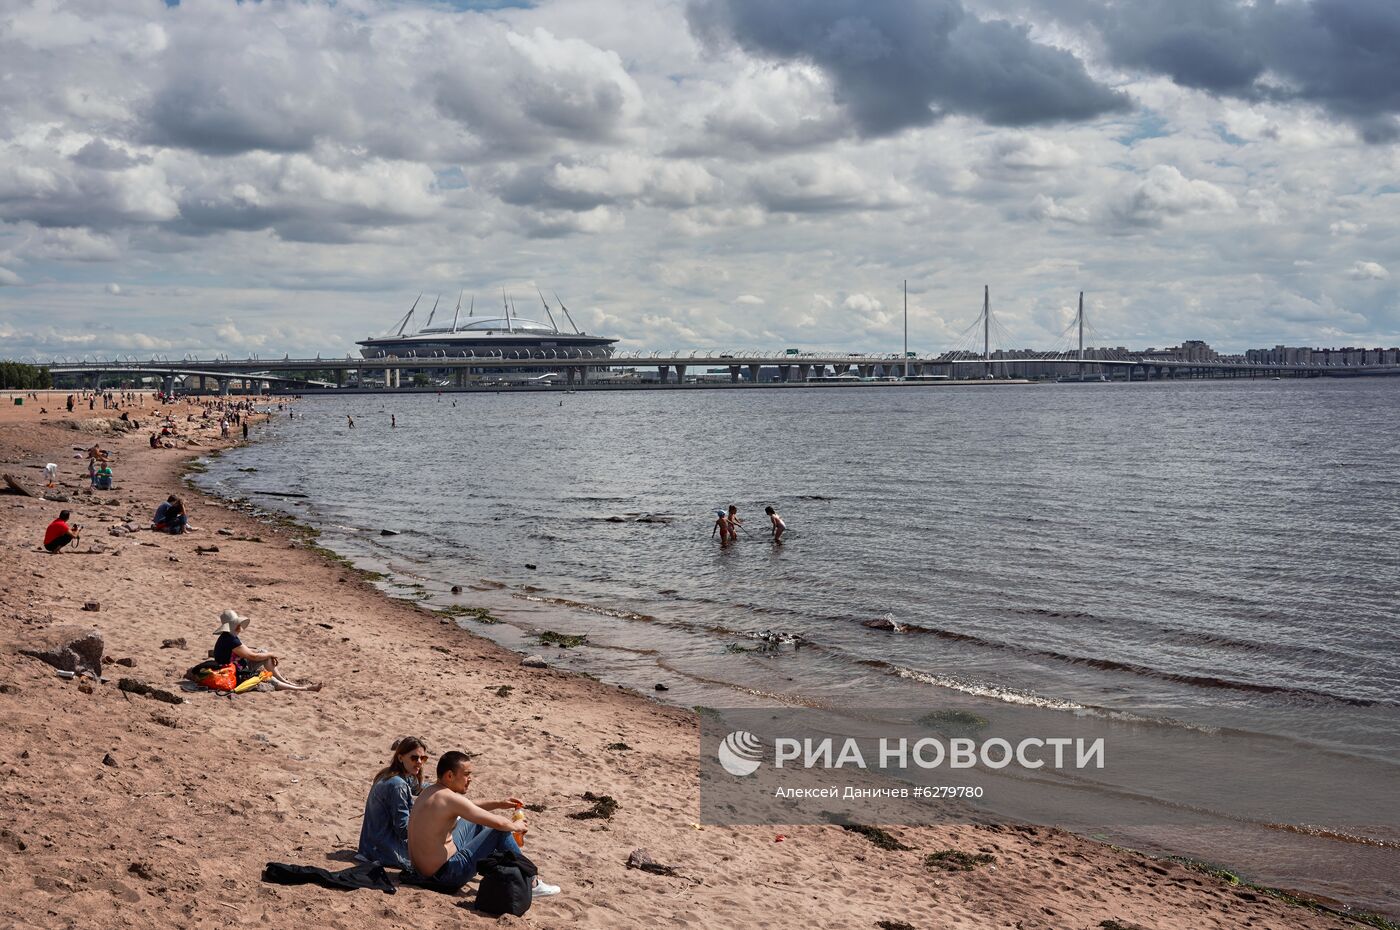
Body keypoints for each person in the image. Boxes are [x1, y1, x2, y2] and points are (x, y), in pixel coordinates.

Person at [407, 751, 559, 897]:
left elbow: (468, 806)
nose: (470, 779)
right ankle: (532, 882)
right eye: (466, 774)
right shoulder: (449, 799)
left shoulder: (431, 792)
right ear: (450, 775)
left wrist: (499, 803)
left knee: (472, 821)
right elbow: (499, 823)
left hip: (421, 871)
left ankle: (494, 869)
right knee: (498, 831)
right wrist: (516, 826)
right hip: (445, 876)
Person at [358, 737, 469, 870]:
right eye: (414, 758)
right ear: (400, 758)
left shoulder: (391, 774)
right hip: (383, 851)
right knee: (456, 832)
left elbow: (421, 788)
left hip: (369, 846)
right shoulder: (398, 785)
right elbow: (403, 830)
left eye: (423, 758)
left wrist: (446, 789)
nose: (419, 762)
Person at [211, 609, 322, 693]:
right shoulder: (231, 640)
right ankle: (304, 688)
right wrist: (271, 654)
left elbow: (245, 650)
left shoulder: (228, 636)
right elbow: (252, 657)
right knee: (267, 677)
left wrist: (264, 653)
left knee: (264, 653)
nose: (240, 626)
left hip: (235, 666)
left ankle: (284, 680)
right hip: (234, 673)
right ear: (235, 625)